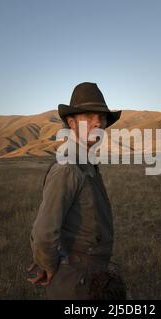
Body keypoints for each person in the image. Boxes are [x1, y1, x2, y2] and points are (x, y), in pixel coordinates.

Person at [27, 82, 126, 299]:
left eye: (101, 117)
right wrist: (50, 267)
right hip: (76, 283)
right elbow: (44, 234)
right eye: (88, 117)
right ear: (72, 123)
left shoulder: (86, 163)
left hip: (92, 278)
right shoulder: (68, 168)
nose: (97, 122)